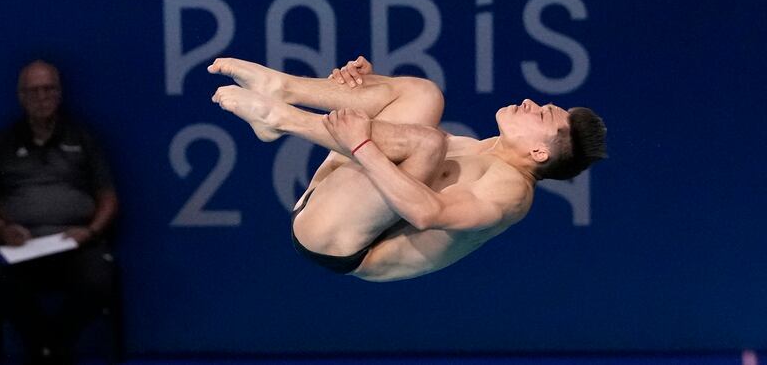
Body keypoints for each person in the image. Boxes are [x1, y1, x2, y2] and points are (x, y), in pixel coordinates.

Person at [209, 56, 606, 282]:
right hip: (333, 200)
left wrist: (360, 143)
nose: (529, 102)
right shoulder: (487, 148)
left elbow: (426, 212)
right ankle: (284, 91)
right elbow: (396, 140)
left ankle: (283, 118)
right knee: (423, 93)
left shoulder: (511, 193)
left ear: (539, 152)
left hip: (341, 242)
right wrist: (368, 85)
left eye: (543, 114)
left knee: (427, 142)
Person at [0, 60, 119, 364]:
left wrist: (90, 231)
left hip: (78, 244)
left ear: (60, 93)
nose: (42, 97)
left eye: (49, 89)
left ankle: (48, 348)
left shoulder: (83, 137)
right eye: (34, 91)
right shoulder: (2, 143)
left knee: (100, 278)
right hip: (23, 247)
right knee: (0, 280)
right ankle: (50, 349)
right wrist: (2, 230)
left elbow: (108, 198)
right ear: (21, 96)